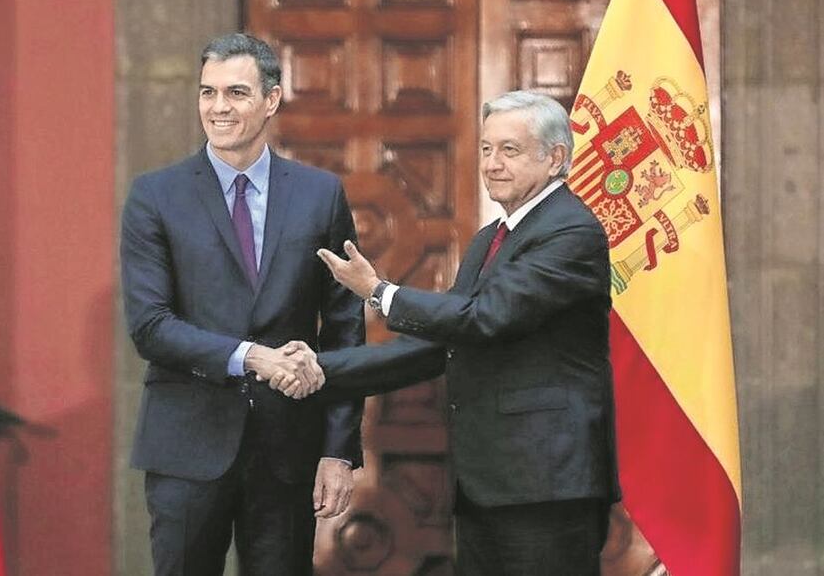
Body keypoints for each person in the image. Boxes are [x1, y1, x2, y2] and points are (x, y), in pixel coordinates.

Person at [307, 91, 619, 575]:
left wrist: (379, 291)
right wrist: (317, 369)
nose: (491, 164)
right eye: (487, 149)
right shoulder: (491, 238)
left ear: (555, 158)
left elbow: (485, 316)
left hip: (546, 487)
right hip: (488, 484)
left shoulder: (570, 233)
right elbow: (441, 345)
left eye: (509, 150)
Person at [120, 32, 365, 576]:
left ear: (271, 100)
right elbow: (150, 326)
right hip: (187, 446)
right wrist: (254, 356)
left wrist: (339, 449)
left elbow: (345, 329)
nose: (218, 108)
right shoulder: (155, 196)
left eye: (235, 93)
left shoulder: (319, 194)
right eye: (207, 93)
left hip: (287, 452)